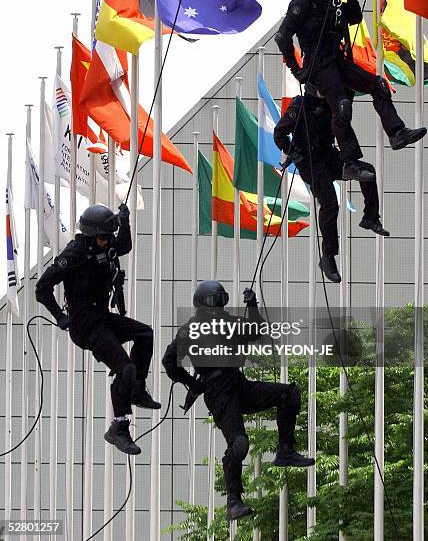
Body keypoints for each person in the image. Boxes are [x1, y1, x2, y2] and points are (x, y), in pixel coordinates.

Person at [162, 281, 315, 522]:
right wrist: (193, 384)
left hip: (238, 383)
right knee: (239, 444)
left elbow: (256, 330)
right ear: (202, 305)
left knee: (289, 393)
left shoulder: (230, 322)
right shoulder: (190, 330)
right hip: (218, 392)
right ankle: (233, 501)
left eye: (222, 300)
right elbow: (169, 361)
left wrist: (252, 305)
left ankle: (285, 450)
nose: (219, 307)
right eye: (214, 302)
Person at [274, 0, 426, 182]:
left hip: (337, 60)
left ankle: (396, 132)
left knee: (377, 84)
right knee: (342, 106)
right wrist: (297, 70)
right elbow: (282, 37)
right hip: (319, 66)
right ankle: (349, 161)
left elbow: (354, 17)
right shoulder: (300, 5)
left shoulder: (331, 1)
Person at [35, 203, 160, 456]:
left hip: (103, 317)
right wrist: (59, 315)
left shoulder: (105, 246)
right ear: (92, 236)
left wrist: (124, 222)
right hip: (85, 326)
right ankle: (119, 427)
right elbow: (42, 288)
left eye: (109, 236)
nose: (108, 241)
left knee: (145, 334)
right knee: (124, 367)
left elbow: (123, 246)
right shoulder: (73, 255)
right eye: (104, 237)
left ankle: (137, 388)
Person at [274, 89, 390, 283]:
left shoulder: (334, 102)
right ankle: (328, 256)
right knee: (330, 205)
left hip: (328, 155)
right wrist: (294, 153)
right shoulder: (301, 105)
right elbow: (280, 133)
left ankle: (370, 217)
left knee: (367, 172)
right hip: (311, 162)